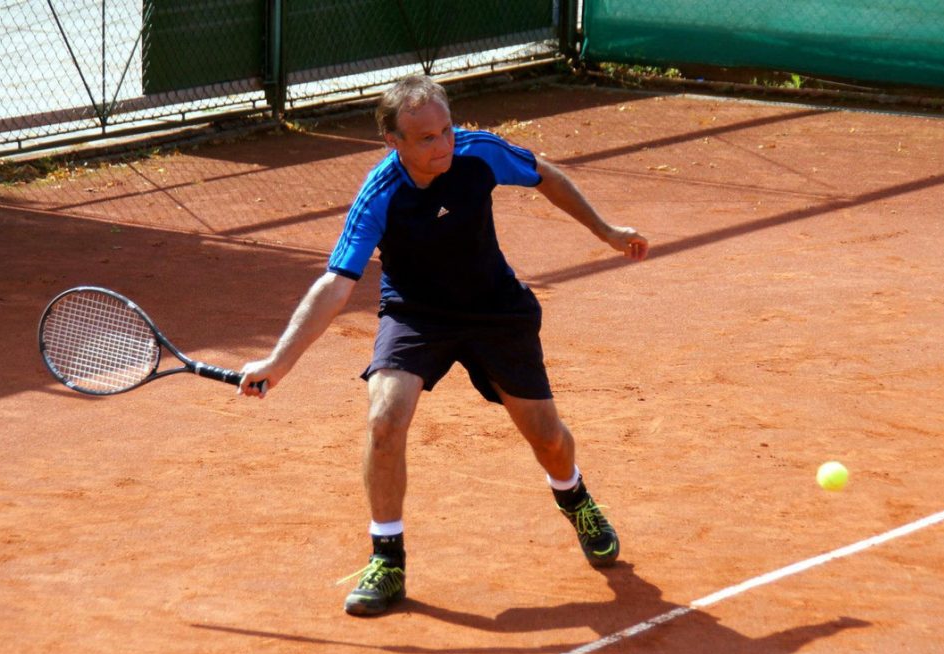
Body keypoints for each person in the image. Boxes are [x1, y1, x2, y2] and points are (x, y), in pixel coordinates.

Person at [238, 74, 649, 616]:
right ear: (394, 142)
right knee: (385, 417)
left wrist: (606, 231)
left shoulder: (479, 154)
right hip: (417, 313)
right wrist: (280, 361)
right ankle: (387, 557)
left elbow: (543, 174)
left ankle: (574, 496)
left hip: (496, 309)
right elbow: (337, 283)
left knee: (547, 438)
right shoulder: (381, 193)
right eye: (426, 138)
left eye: (446, 130)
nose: (443, 145)